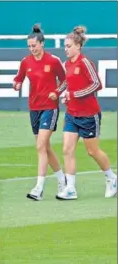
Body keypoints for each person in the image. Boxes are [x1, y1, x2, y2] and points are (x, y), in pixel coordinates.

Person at [57, 26, 117, 200]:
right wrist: (58, 92)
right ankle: (70, 188)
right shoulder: (66, 64)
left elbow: (97, 84)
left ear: (78, 46)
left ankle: (111, 178)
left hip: (89, 114)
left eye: (68, 46)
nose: (66, 49)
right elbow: (67, 83)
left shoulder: (85, 62)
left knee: (92, 151)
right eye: (65, 46)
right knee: (67, 149)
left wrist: (74, 94)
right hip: (71, 114)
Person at [13, 24, 67, 201]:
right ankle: (62, 180)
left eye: (34, 46)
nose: (32, 49)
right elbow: (19, 78)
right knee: (45, 147)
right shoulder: (25, 62)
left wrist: (57, 93)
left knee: (40, 146)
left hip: (49, 108)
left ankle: (39, 188)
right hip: (34, 108)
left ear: (42, 44)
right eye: (29, 46)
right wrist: (17, 84)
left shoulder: (53, 61)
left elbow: (66, 80)